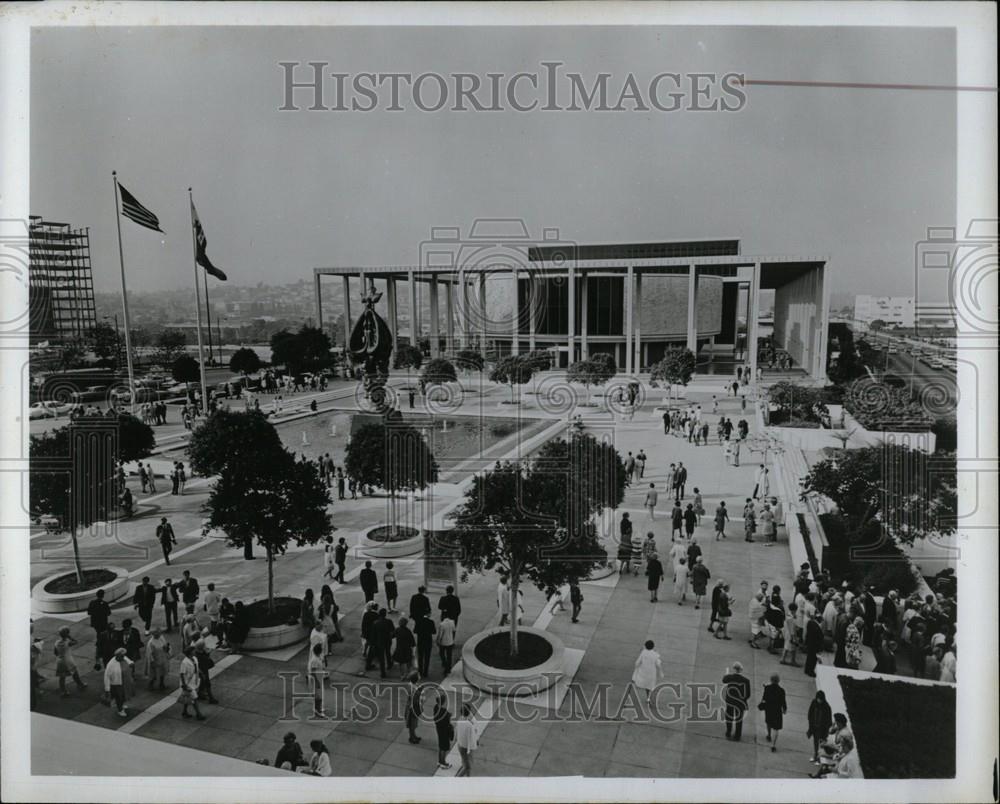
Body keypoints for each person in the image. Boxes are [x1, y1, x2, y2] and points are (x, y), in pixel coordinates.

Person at [722, 661, 751, 740]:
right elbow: (748, 694)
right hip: (740, 703)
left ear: (734, 669)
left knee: (729, 716)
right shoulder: (746, 680)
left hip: (730, 701)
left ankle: (728, 732)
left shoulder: (730, 677)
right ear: (741, 670)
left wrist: (727, 673)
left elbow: (724, 680)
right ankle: (737, 735)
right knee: (739, 719)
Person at [759, 673, 787, 751]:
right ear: (778, 681)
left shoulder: (767, 688)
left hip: (769, 709)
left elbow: (764, 698)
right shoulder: (781, 691)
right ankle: (773, 745)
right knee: (776, 728)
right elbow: (783, 702)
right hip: (777, 711)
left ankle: (769, 735)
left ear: (771, 680)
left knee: (768, 722)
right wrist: (784, 709)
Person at [178, 646, 206, 720]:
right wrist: (184, 685)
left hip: (194, 681)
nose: (195, 651)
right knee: (194, 698)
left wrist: (201, 673)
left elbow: (196, 667)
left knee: (188, 697)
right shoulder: (184, 662)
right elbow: (182, 674)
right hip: (187, 684)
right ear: (190, 652)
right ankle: (199, 714)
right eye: (193, 651)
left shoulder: (194, 659)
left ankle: (184, 712)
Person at [807, 690, 833, 763]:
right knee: (815, 742)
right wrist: (810, 725)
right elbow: (810, 713)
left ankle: (819, 758)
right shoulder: (814, 702)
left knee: (821, 743)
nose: (819, 700)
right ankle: (815, 755)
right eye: (818, 699)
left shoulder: (827, 707)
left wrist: (826, 730)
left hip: (822, 729)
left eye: (820, 699)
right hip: (814, 727)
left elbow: (829, 721)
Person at [87, 589, 112, 668]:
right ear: (103, 595)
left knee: (99, 634)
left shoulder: (92, 603)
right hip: (103, 623)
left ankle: (99, 645)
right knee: (102, 636)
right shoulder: (104, 604)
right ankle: (100, 648)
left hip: (96, 624)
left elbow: (89, 612)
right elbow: (108, 613)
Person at [103, 647, 130, 717]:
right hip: (116, 684)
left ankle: (121, 705)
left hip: (123, 681)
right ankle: (120, 710)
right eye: (122, 656)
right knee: (119, 697)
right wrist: (107, 689)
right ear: (117, 656)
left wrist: (131, 663)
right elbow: (106, 677)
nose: (123, 657)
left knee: (123, 695)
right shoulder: (111, 665)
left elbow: (128, 661)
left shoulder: (123, 658)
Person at [455, 703, 478, 777]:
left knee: (465, 764)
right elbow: (471, 737)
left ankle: (468, 778)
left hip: (460, 745)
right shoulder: (469, 725)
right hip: (467, 748)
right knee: (467, 767)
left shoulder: (459, 721)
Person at [433, 690, 455, 770]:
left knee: (440, 746)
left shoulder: (436, 708)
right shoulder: (443, 711)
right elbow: (447, 719)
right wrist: (449, 716)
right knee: (444, 747)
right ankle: (443, 762)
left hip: (439, 730)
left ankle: (439, 761)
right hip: (444, 731)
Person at [372, 608, 395, 678]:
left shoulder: (375, 623)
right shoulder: (389, 621)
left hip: (379, 642)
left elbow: (373, 634)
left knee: (381, 658)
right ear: (385, 615)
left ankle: (383, 672)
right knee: (388, 652)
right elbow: (393, 631)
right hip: (387, 640)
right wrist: (391, 637)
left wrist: (373, 642)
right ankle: (389, 664)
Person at [145, 627, 171, 691]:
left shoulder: (161, 638)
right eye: (158, 634)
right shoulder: (151, 642)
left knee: (163, 671)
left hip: (163, 657)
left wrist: (167, 648)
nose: (159, 635)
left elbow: (165, 645)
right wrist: (152, 661)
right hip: (156, 659)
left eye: (160, 633)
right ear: (154, 634)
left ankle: (162, 684)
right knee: (154, 674)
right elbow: (149, 654)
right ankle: (150, 685)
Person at [194, 639, 218, 704]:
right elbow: (209, 664)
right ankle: (211, 698)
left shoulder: (195, 653)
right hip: (203, 671)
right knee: (207, 684)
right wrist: (208, 655)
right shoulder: (202, 656)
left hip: (199, 671)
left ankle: (200, 694)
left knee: (202, 684)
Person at [307, 643, 327, 716]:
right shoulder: (315, 660)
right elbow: (313, 671)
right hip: (315, 680)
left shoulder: (318, 657)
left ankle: (318, 708)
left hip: (319, 678)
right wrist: (317, 682)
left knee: (319, 695)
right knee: (318, 696)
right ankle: (318, 711)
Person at [414, 613, 436, 679]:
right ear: (428, 615)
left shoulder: (418, 622)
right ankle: (425, 672)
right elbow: (434, 632)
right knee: (427, 657)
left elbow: (415, 631)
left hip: (420, 641)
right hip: (428, 642)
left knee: (420, 657)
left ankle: (420, 671)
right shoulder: (431, 622)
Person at [804, 612, 824, 677]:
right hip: (814, 645)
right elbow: (818, 637)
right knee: (813, 659)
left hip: (810, 644)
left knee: (809, 657)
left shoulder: (810, 623)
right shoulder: (816, 626)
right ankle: (810, 671)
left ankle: (807, 670)